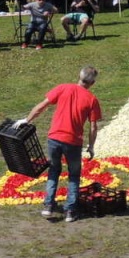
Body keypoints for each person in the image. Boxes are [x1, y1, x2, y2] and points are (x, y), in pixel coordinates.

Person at [16, 66, 102, 223]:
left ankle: (48, 206)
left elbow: (42, 106)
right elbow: (93, 126)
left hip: (54, 138)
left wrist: (26, 120)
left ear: (79, 75)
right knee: (74, 175)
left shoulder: (63, 88)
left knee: (54, 170)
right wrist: (91, 146)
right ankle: (70, 211)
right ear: (92, 83)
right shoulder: (91, 99)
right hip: (73, 142)